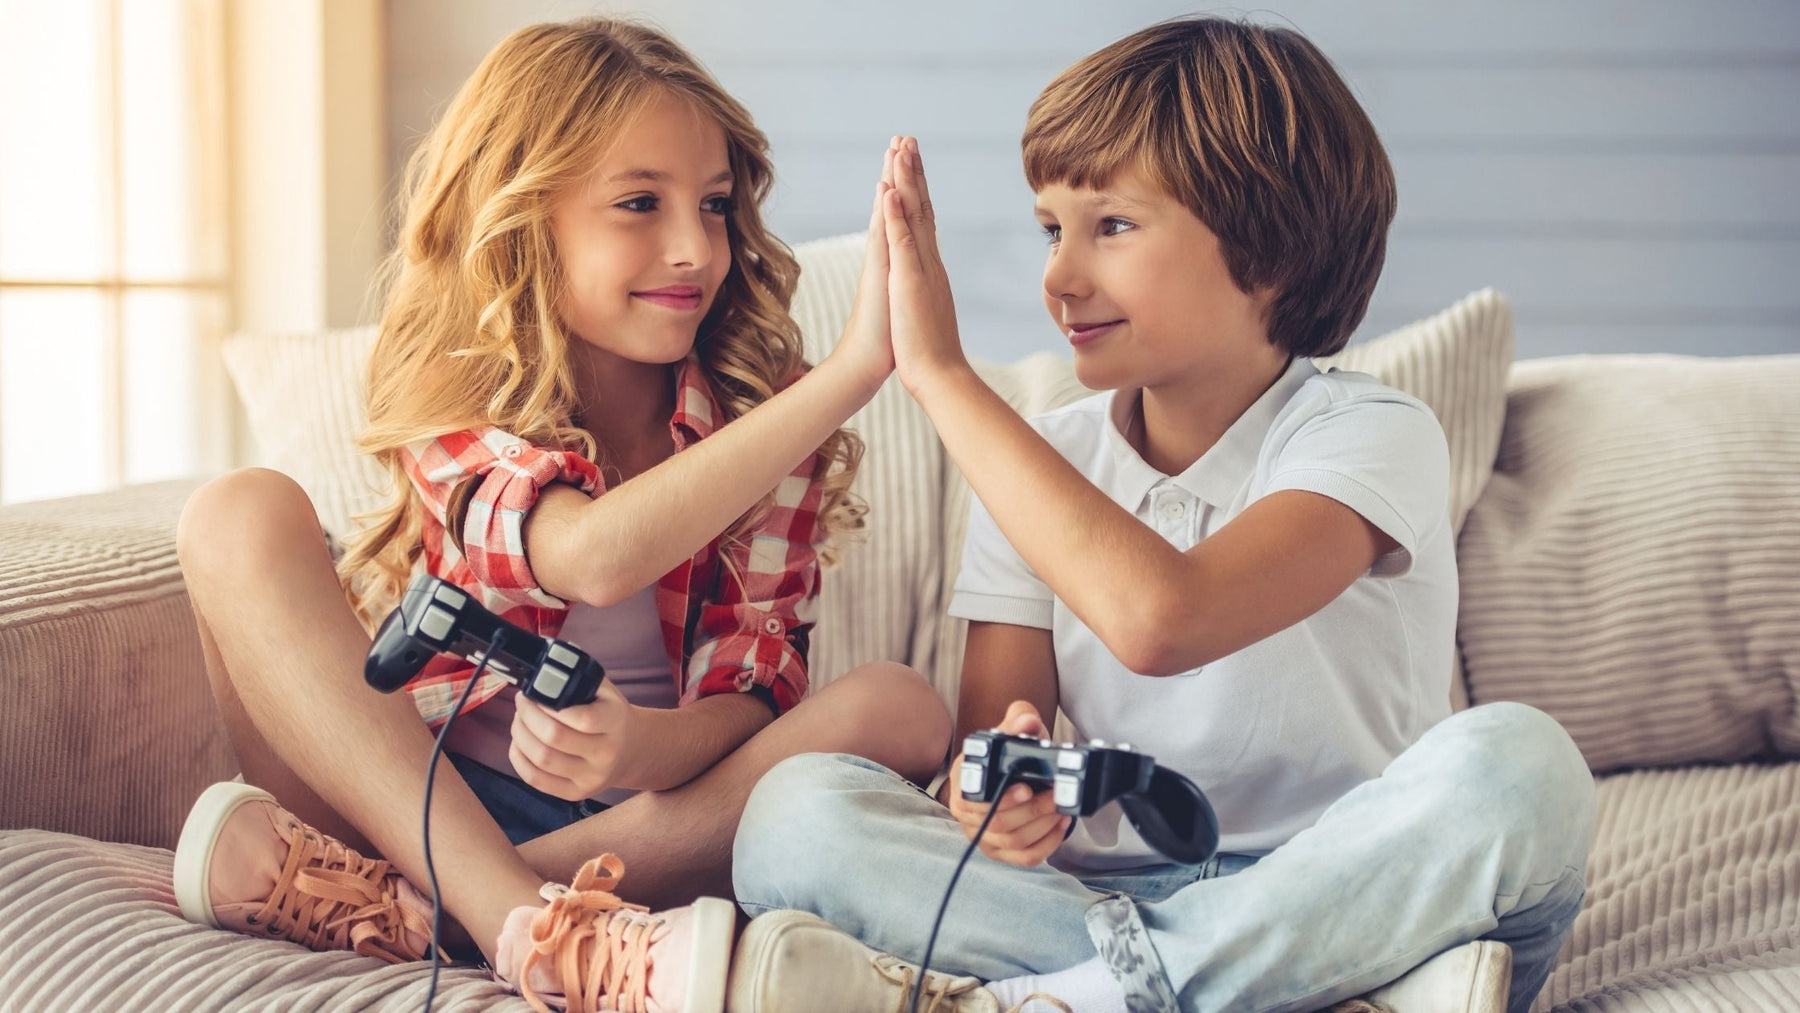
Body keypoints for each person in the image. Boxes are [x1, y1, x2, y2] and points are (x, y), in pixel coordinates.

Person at [730, 17, 1595, 1013]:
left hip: (1345, 889)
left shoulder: (1372, 433)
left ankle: (1091, 992)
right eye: (1053, 228)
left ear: (1269, 246)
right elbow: (987, 754)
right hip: (1098, 897)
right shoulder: (1045, 459)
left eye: (1113, 226)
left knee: (1523, 769)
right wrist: (996, 799)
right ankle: (1199, 985)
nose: (1059, 275)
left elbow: (1163, 620)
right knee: (791, 815)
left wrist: (939, 376)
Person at [168, 17, 947, 1011]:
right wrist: (850, 374)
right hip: (422, 796)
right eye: (638, 203)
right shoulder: (457, 389)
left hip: (650, 817)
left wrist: (638, 748)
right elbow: (586, 554)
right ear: (526, 215)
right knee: (235, 511)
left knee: (900, 709)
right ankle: (519, 919)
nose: (691, 249)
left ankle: (424, 910)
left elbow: (756, 689)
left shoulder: (757, 406)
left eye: (712, 207)